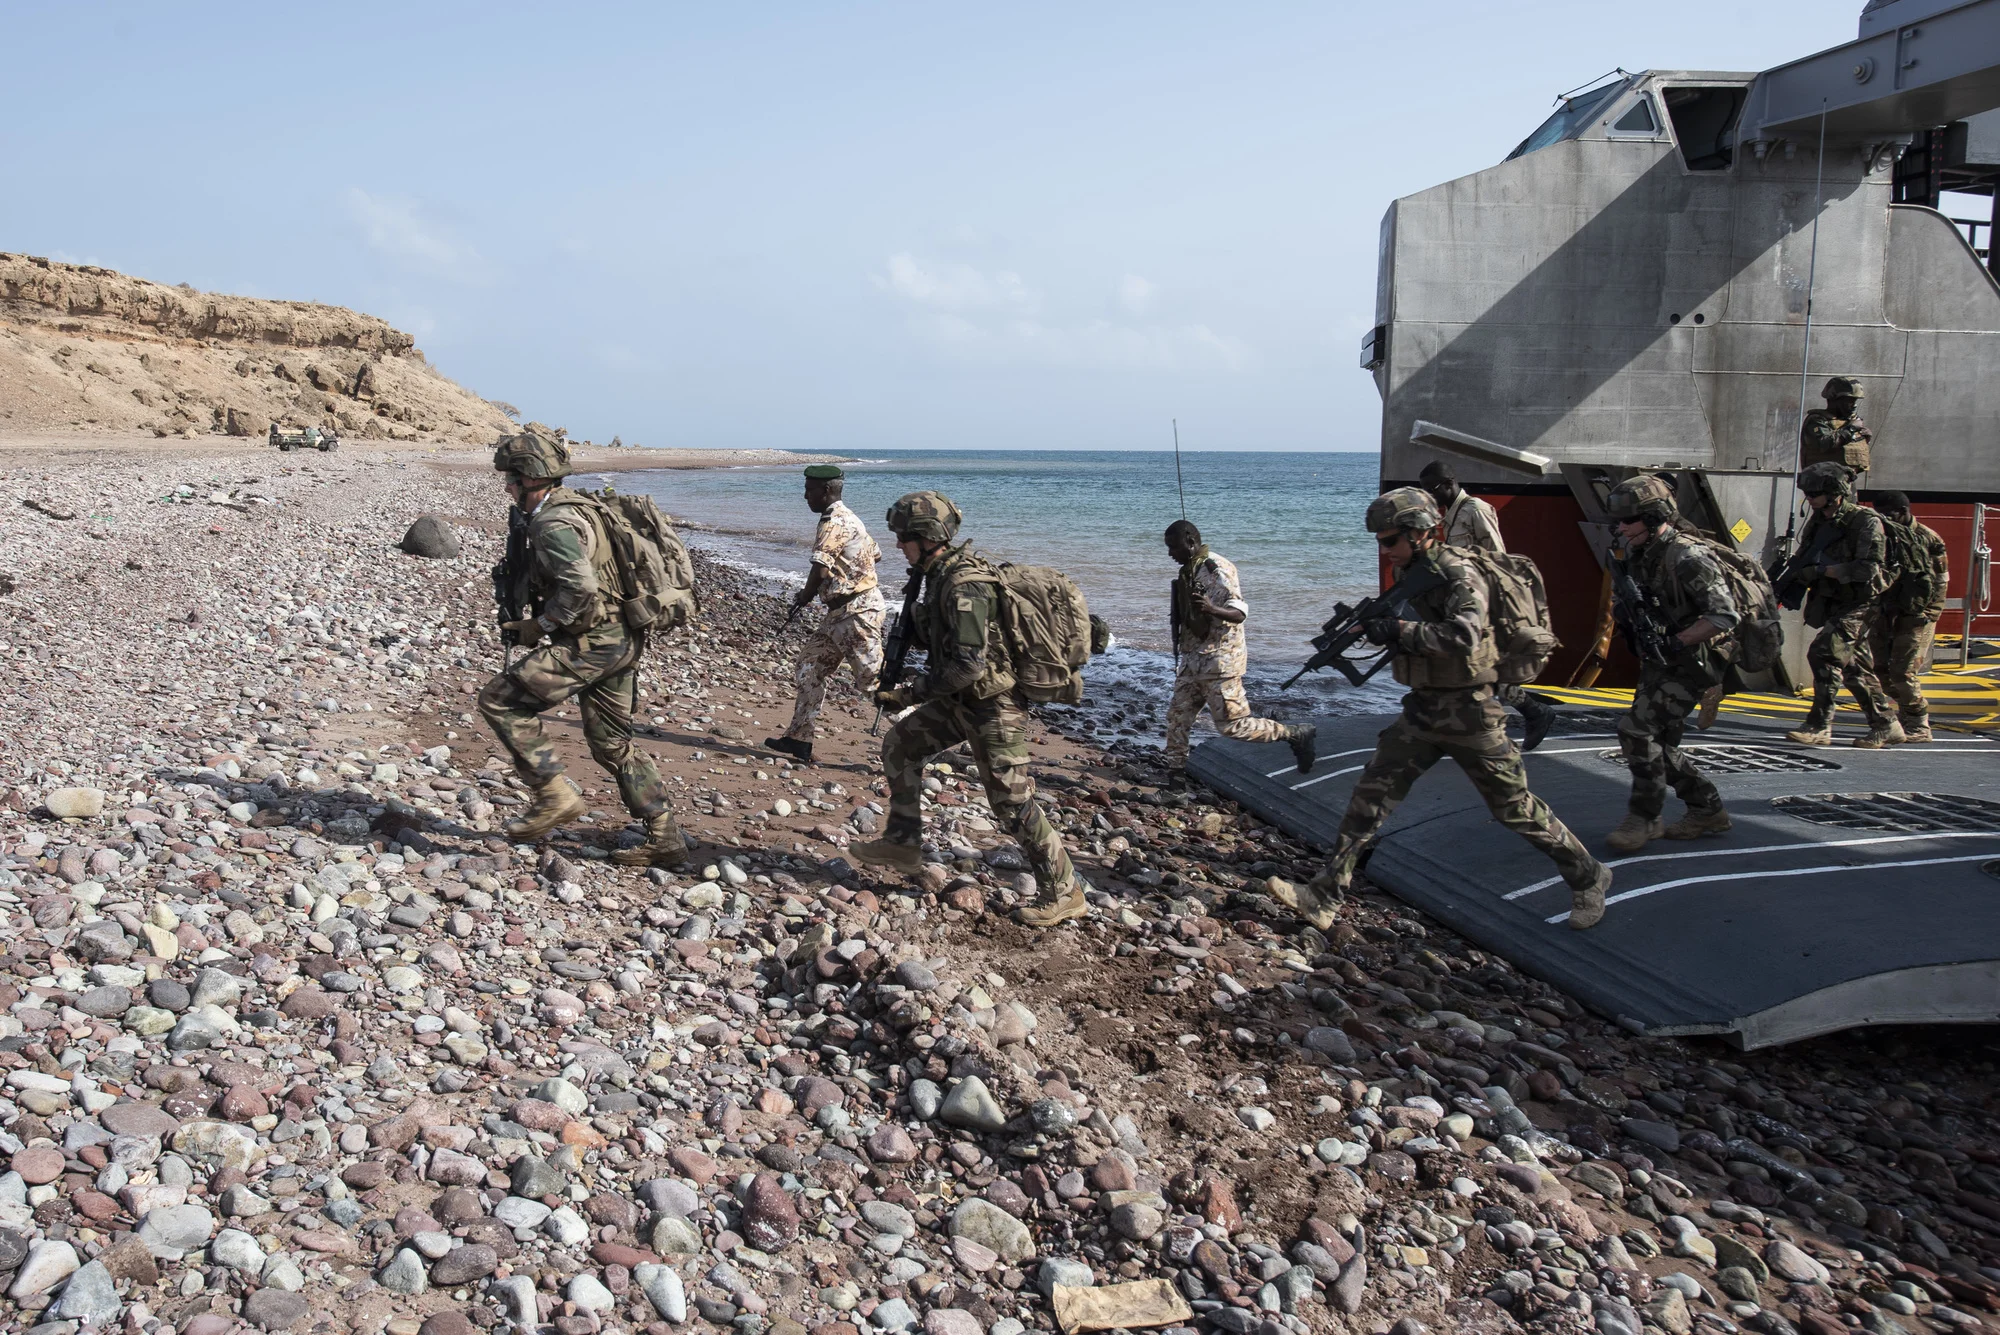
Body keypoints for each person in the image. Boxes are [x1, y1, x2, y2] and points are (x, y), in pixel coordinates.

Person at [1272, 488, 1612, 931]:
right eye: (1379, 541)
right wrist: (1382, 629)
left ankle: (1589, 877)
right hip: (1423, 710)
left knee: (1515, 809)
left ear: (1420, 533)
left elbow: (1466, 635)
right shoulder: (1416, 571)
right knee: (1369, 800)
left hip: (1470, 712)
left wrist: (1398, 630)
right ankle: (1322, 896)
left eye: (1390, 540)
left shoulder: (1457, 572)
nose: (1384, 549)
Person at [852, 491, 1091, 928]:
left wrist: (908, 694)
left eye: (904, 537)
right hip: (962, 700)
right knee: (900, 746)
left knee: (1011, 804)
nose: (899, 545)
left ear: (926, 538)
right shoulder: (936, 574)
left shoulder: (964, 585)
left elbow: (967, 664)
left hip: (993, 706)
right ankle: (903, 841)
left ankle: (1065, 891)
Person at [478, 429, 688, 866]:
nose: (507, 488)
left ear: (527, 478)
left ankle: (552, 793)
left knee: (500, 700)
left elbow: (580, 588)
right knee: (612, 743)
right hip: (624, 636)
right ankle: (665, 835)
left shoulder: (552, 523)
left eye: (510, 480)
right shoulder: (584, 508)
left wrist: (539, 626)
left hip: (593, 643)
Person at [1601, 476, 1738, 853]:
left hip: (1694, 660)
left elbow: (1725, 616)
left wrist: (1674, 641)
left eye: (1628, 520)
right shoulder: (1639, 552)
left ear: (1654, 516)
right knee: (1658, 742)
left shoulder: (1688, 557)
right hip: (1660, 658)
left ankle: (1644, 817)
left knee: (1635, 731)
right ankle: (1707, 808)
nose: (1621, 528)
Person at [1418, 460, 1556, 751]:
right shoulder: (1451, 516)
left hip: (1484, 603)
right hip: (1464, 601)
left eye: (1432, 490)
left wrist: (1493, 607)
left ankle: (1530, 714)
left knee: (1483, 667)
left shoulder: (1475, 510)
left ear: (1448, 484)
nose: (1431, 497)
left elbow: (1497, 558)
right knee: (1472, 666)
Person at [1162, 519, 1314, 779]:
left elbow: (1239, 612)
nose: (1170, 554)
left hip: (1219, 661)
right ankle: (1175, 779)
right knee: (1178, 716)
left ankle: (1295, 734)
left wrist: (1212, 609)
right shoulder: (1189, 570)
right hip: (1192, 660)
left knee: (1233, 726)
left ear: (1190, 542)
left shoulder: (1216, 568)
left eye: (1174, 547)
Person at [764, 464, 885, 764]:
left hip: (858, 613)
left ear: (827, 491)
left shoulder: (834, 522)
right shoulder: (851, 518)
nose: (805, 496)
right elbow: (876, 555)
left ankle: (927, 737)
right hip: (840, 613)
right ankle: (799, 739)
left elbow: (820, 567)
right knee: (809, 667)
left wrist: (805, 596)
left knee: (872, 684)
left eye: (810, 490)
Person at [1784, 462, 1900, 748]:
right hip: (1835, 601)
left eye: (1814, 493)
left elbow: (1868, 570)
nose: (1809, 499)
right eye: (1807, 494)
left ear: (1834, 492)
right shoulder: (1820, 520)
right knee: (1855, 668)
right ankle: (1886, 724)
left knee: (1824, 653)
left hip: (1862, 601)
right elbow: (1806, 555)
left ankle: (1819, 725)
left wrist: (1823, 572)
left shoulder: (1865, 522)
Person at [1869, 491, 1949, 743]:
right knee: (1881, 670)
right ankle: (1906, 714)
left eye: (1888, 513)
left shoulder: (1927, 538)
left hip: (1916, 615)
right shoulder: (1881, 536)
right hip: (1886, 611)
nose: (1882, 519)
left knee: (1903, 672)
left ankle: (1919, 724)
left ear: (1903, 511)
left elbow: (1940, 581)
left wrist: (1928, 615)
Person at [1798, 376, 1873, 474]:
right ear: (1834, 400)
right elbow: (1824, 443)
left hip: (1844, 479)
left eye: (1855, 401)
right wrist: (1851, 429)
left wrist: (1863, 438)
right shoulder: (1817, 420)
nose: (1854, 405)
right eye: (1849, 400)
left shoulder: (1850, 421)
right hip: (1822, 481)